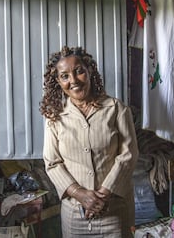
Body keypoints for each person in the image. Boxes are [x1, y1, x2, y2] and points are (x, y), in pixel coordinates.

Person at [40, 46, 139, 237]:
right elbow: (52, 163)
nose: (74, 81)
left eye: (79, 71)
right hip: (75, 213)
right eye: (65, 76)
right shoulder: (55, 117)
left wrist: (102, 195)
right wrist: (79, 194)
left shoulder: (116, 109)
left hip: (115, 210)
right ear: (58, 82)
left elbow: (128, 155)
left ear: (89, 70)